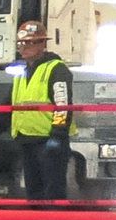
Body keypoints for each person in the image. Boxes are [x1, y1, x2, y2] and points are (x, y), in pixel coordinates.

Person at [4, 20, 74, 202]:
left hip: (48, 142)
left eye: (29, 43)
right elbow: (9, 105)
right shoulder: (21, 71)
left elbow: (63, 104)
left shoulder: (56, 69)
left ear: (42, 44)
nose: (23, 48)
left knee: (53, 195)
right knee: (34, 195)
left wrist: (58, 135)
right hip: (28, 141)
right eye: (21, 43)